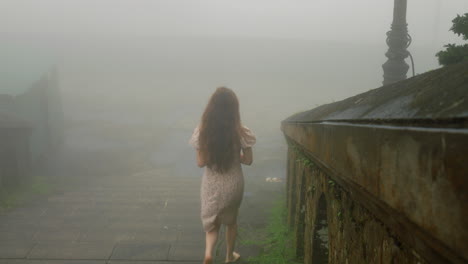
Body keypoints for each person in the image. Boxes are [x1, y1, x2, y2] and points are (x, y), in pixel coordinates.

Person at [189, 87, 256, 264]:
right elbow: (248, 160)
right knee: (231, 222)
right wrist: (235, 156)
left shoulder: (203, 131)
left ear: (211, 108)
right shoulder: (241, 131)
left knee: (212, 224)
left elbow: (200, 162)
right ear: (234, 108)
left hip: (212, 183)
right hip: (233, 184)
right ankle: (228, 257)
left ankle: (209, 253)